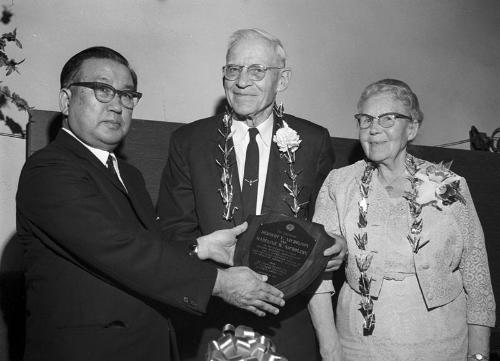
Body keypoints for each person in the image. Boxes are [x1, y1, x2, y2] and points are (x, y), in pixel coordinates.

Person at [16, 46, 285, 361]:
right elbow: (117, 248)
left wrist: (200, 247)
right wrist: (219, 282)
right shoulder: (48, 170)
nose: (117, 105)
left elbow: (144, 244)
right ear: (66, 100)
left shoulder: (128, 174)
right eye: (102, 90)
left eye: (127, 95)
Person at [157, 28, 346, 361]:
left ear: (282, 79)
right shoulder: (189, 141)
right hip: (210, 321)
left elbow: (322, 228)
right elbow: (174, 235)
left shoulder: (313, 141)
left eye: (257, 70)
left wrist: (336, 248)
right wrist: (220, 281)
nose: (242, 81)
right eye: (234, 69)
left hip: (287, 321)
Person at [309, 79, 496, 360]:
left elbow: (477, 275)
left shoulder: (449, 184)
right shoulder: (339, 183)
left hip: (440, 343)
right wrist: (330, 346)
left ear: (412, 128)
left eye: (388, 119)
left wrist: (479, 355)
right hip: (360, 344)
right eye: (366, 119)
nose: (374, 129)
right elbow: (316, 272)